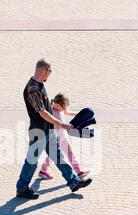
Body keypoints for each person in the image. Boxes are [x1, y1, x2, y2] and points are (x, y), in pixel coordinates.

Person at [15, 59, 92, 200]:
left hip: (48, 130)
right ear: (44, 70)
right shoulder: (33, 89)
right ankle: (22, 188)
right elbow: (42, 112)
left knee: (59, 157)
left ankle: (74, 182)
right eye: (50, 71)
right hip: (39, 131)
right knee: (32, 161)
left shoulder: (40, 85)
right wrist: (61, 124)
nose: (50, 74)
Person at [38, 93, 90, 180]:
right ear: (57, 105)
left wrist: (79, 114)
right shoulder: (53, 114)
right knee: (64, 155)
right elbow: (62, 126)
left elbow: (67, 112)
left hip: (62, 137)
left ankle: (43, 171)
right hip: (58, 139)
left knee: (54, 156)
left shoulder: (58, 109)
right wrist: (73, 127)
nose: (64, 109)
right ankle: (79, 172)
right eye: (64, 107)